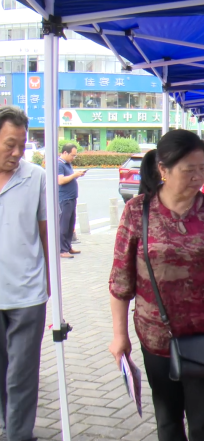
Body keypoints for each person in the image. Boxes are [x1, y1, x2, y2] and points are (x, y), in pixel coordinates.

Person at [108, 130, 204, 441]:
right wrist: (119, 337)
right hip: (156, 336)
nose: (198, 177)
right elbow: (120, 280)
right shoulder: (138, 211)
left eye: (202, 168)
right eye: (189, 170)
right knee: (168, 422)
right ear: (164, 170)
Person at [0, 107, 49, 441]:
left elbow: (46, 232)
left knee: (21, 375)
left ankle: (18, 434)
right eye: (9, 145)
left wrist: (52, 287)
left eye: (22, 145)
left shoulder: (37, 177)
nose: (17, 153)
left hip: (28, 292)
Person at [57, 143, 85, 259]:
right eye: (72, 155)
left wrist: (76, 175)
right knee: (63, 225)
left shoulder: (68, 164)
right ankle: (62, 249)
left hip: (72, 198)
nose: (73, 158)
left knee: (70, 225)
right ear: (65, 153)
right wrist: (74, 175)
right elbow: (61, 181)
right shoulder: (59, 165)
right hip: (65, 199)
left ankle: (68, 246)